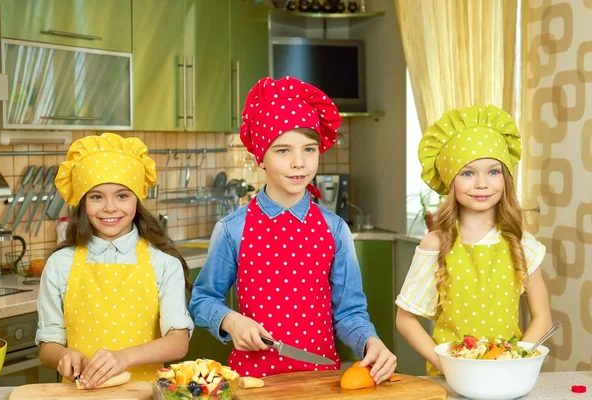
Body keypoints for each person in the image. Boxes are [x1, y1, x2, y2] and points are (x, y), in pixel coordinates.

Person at [190, 76, 397, 383]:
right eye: (283, 151)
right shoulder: (233, 229)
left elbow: (350, 313)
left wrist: (371, 341)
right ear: (261, 156)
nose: (299, 163)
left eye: (309, 150)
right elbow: (202, 300)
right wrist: (230, 321)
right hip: (254, 383)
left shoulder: (335, 230)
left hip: (321, 381)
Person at [395, 105, 552, 375]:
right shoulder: (435, 244)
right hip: (450, 380)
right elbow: (406, 320)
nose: (482, 183)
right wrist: (448, 365)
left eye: (493, 172)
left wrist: (514, 361)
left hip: (506, 376)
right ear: (450, 180)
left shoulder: (522, 243)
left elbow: (543, 317)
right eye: (468, 173)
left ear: (506, 178)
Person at [36, 132, 194, 388]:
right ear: (82, 202)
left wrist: (124, 357)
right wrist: (63, 355)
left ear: (138, 200)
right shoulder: (59, 264)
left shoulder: (163, 263)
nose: (110, 207)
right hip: (81, 395)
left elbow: (178, 342)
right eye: (96, 197)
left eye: (122, 196)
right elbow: (47, 346)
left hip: (147, 394)